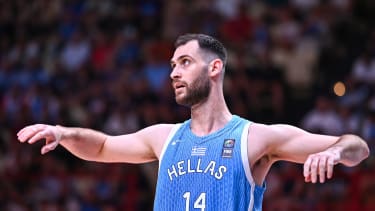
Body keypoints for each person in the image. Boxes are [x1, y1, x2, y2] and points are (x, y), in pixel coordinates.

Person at [17, 34, 369, 211]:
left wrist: (335, 152)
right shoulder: (163, 137)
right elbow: (103, 147)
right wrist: (63, 132)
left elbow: (358, 146)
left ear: (214, 68)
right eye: (172, 65)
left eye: (184, 62)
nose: (173, 73)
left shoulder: (254, 137)